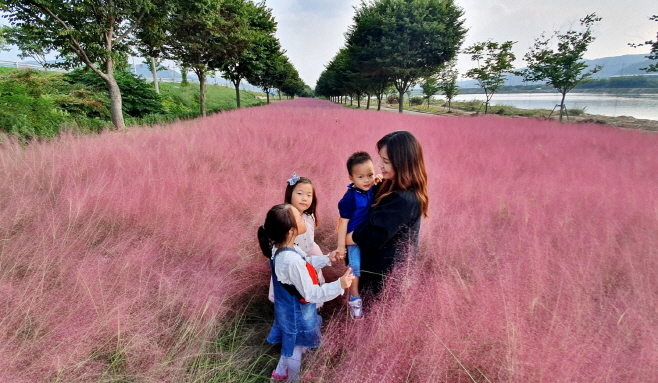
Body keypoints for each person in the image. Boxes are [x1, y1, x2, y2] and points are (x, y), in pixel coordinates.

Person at [258, 204, 354, 383]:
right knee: (295, 347)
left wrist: (327, 259)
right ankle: (293, 378)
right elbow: (311, 293)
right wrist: (339, 284)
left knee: (291, 344)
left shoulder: (280, 248)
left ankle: (280, 373)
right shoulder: (290, 260)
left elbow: (304, 262)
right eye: (300, 219)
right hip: (297, 316)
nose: (303, 219)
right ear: (291, 231)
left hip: (286, 312)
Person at [347, 131, 429, 296]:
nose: (380, 165)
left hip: (386, 281)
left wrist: (348, 237)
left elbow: (373, 234)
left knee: (373, 318)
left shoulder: (405, 199)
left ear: (403, 163)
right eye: (380, 159)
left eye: (386, 161)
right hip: (376, 272)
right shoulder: (389, 185)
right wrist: (370, 187)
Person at [268, 173, 327, 306]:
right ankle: (293, 308)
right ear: (290, 194)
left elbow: (309, 238)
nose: (304, 198)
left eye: (309, 195)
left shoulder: (309, 216)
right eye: (300, 193)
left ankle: (314, 308)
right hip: (293, 257)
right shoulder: (286, 219)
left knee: (312, 282)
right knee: (294, 286)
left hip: (310, 253)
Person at [336, 152, 377, 319]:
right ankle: (354, 299)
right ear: (351, 178)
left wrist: (378, 178)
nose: (367, 180)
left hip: (366, 234)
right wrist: (341, 246)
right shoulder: (349, 198)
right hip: (352, 239)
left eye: (370, 175)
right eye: (361, 177)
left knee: (367, 265)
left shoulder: (371, 187)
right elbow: (342, 223)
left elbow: (374, 182)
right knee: (355, 267)